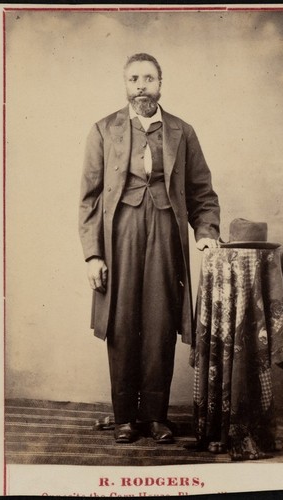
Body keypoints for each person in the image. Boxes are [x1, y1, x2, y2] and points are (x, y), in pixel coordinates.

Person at [79, 53, 220, 444]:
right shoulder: (104, 130)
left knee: (160, 323)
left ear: (161, 83)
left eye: (148, 78)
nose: (141, 85)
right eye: (133, 79)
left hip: (165, 231)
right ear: (125, 85)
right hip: (119, 234)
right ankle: (125, 418)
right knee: (122, 323)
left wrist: (205, 231)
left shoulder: (181, 131)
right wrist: (93, 254)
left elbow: (202, 192)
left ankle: (155, 416)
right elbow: (89, 200)